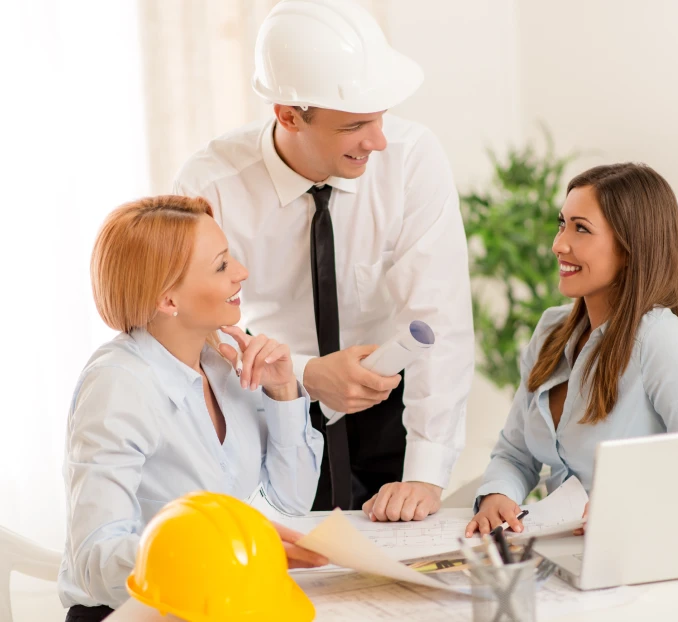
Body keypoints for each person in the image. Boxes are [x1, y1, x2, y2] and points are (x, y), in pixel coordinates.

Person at [173, 0, 474, 520]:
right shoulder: (210, 186)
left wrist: (425, 473)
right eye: (356, 125)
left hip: (390, 407)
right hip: (273, 409)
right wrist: (306, 374)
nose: (378, 141)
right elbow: (189, 330)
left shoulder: (411, 158)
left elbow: (440, 318)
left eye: (381, 118)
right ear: (289, 115)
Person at [59, 196, 327, 622]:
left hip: (213, 601)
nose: (242, 272)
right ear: (169, 300)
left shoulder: (219, 364)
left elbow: (291, 502)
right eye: (221, 265)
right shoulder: (118, 386)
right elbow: (95, 557)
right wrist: (212, 548)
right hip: (132, 610)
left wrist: (282, 391)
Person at [465, 163, 678, 537]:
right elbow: (514, 453)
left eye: (581, 229)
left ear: (629, 247)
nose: (558, 244)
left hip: (633, 553)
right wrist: (496, 496)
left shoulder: (664, 342)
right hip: (555, 548)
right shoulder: (552, 331)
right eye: (562, 223)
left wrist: (628, 511)